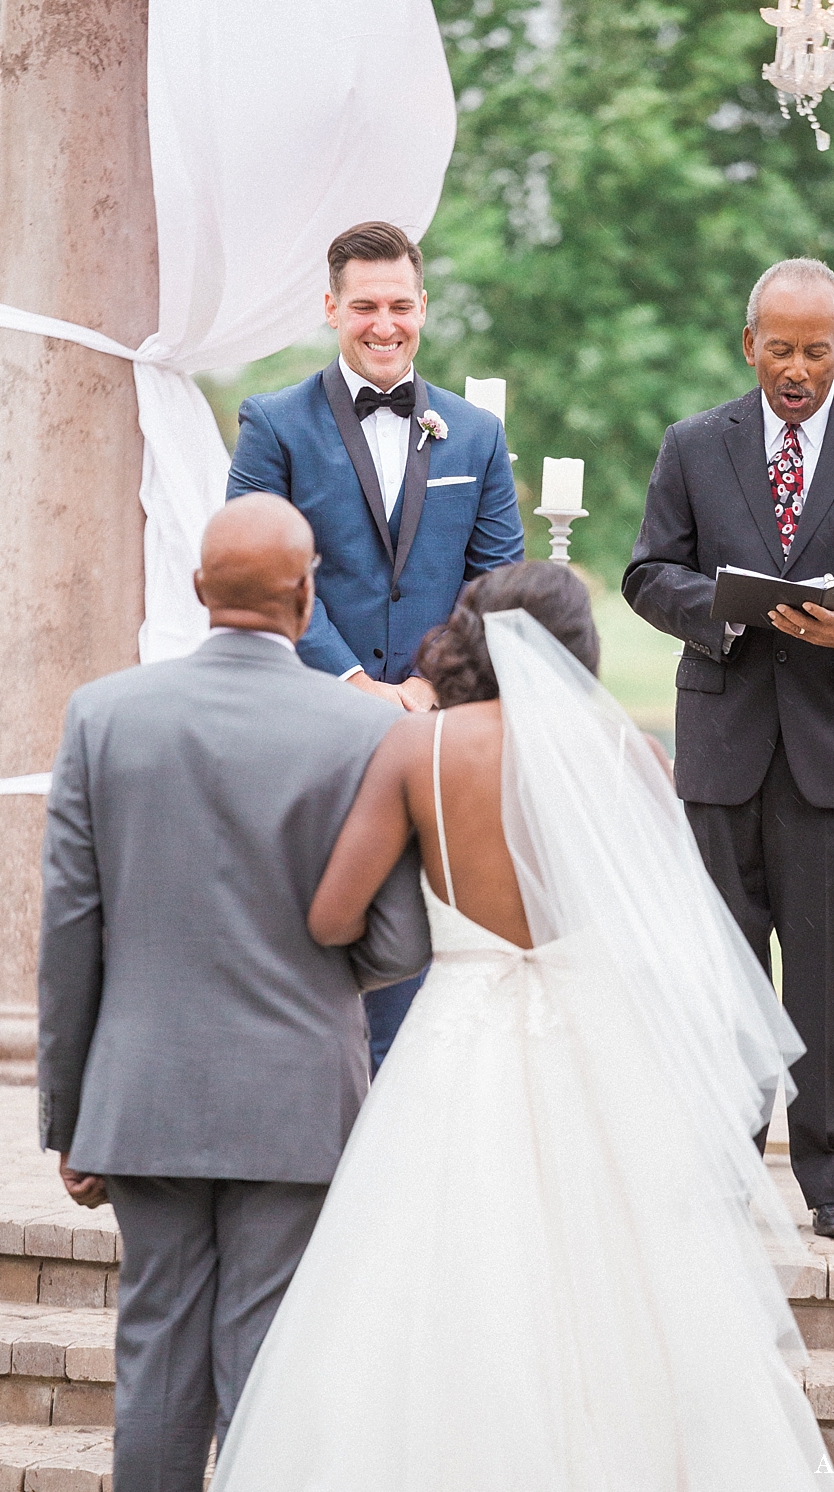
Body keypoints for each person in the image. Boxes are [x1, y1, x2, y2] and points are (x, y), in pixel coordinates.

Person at [214, 560, 830, 1492]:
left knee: (434, 1276)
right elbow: (670, 926)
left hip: (457, 1038)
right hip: (601, 1047)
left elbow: (333, 918)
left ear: (468, 636)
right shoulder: (627, 753)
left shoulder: (419, 749)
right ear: (573, 645)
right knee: (629, 1291)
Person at [36, 493, 431, 1492]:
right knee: (269, 1353)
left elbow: (71, 932)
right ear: (305, 598)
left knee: (157, 1349)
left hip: (145, 1094)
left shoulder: (103, 713)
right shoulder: (363, 732)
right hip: (298, 1095)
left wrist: (68, 1115)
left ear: (200, 589)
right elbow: (393, 937)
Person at [622, 258, 834, 1240]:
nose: (795, 367)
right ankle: (721, 1164)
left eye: (814, 349)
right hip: (722, 752)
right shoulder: (692, 444)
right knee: (718, 967)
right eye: (779, 348)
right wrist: (724, 611)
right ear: (747, 344)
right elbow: (647, 573)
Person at [227, 219, 525, 1072]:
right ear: (331, 308)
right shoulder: (272, 424)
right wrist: (353, 679)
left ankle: (400, 1102)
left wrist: (432, 680)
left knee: (420, 929)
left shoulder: (475, 433)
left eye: (400, 305)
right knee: (310, 917)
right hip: (311, 723)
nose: (383, 323)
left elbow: (493, 576)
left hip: (436, 733)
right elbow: (259, 566)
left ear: (423, 307)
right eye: (364, 306)